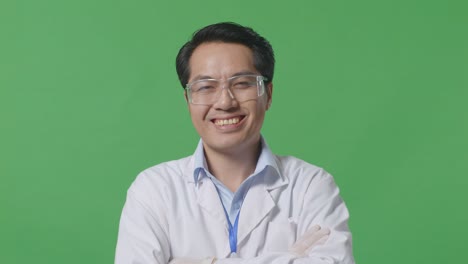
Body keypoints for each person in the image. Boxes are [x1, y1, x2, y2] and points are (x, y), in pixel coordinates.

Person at [115, 22, 354, 264]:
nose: (225, 102)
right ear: (188, 99)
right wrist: (289, 259)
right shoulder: (154, 190)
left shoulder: (311, 186)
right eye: (206, 87)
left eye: (241, 84)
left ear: (268, 95)